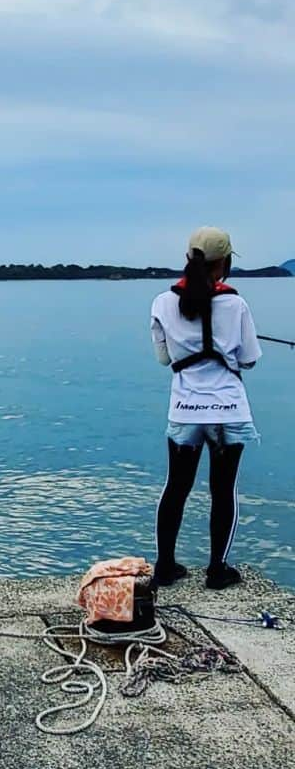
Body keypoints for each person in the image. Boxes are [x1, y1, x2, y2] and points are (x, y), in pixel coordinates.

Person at [150, 227, 261, 590]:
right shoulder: (236, 304)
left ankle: (165, 566)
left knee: (176, 487)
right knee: (223, 489)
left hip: (185, 409)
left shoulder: (162, 303)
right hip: (228, 409)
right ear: (225, 261)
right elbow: (248, 361)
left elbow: (164, 358)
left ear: (189, 258)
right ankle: (217, 569)